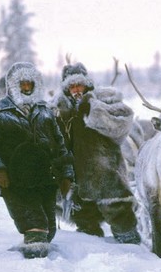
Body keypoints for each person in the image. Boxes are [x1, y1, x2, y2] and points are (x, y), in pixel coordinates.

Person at [0, 62, 74, 259]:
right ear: (12, 86)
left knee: (48, 231)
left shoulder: (45, 113)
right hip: (15, 181)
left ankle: (35, 254)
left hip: (45, 180)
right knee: (36, 228)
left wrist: (66, 176)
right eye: (22, 85)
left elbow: (60, 147)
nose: (26, 88)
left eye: (30, 85)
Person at [51, 63, 141, 244]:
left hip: (106, 172)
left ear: (87, 85)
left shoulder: (104, 101)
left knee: (121, 216)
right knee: (86, 225)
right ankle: (93, 258)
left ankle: (134, 251)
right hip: (75, 178)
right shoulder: (57, 110)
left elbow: (122, 126)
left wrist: (95, 113)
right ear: (66, 88)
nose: (77, 90)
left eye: (80, 85)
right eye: (72, 86)